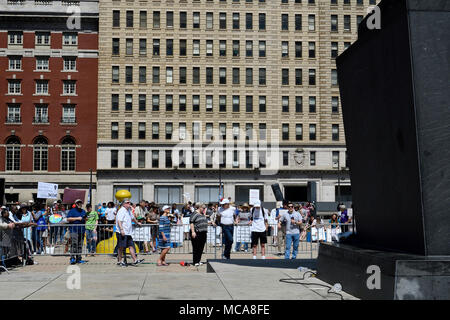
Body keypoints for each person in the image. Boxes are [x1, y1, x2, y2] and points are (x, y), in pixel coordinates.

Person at [116, 200, 144, 267]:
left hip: (128, 232)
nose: (129, 204)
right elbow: (119, 220)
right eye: (127, 203)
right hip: (122, 232)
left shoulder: (128, 211)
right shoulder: (121, 211)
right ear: (124, 204)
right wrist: (121, 229)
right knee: (121, 247)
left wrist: (137, 223)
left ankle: (135, 260)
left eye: (129, 203)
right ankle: (120, 261)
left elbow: (133, 218)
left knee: (131, 246)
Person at [66, 199, 87, 264]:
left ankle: (79, 258)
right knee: (74, 243)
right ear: (76, 204)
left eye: (80, 203)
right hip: (73, 230)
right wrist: (77, 218)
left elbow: (85, 219)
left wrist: (86, 219)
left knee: (80, 245)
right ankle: (72, 258)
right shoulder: (72, 211)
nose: (79, 204)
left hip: (81, 230)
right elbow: (68, 219)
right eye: (78, 203)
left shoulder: (83, 211)